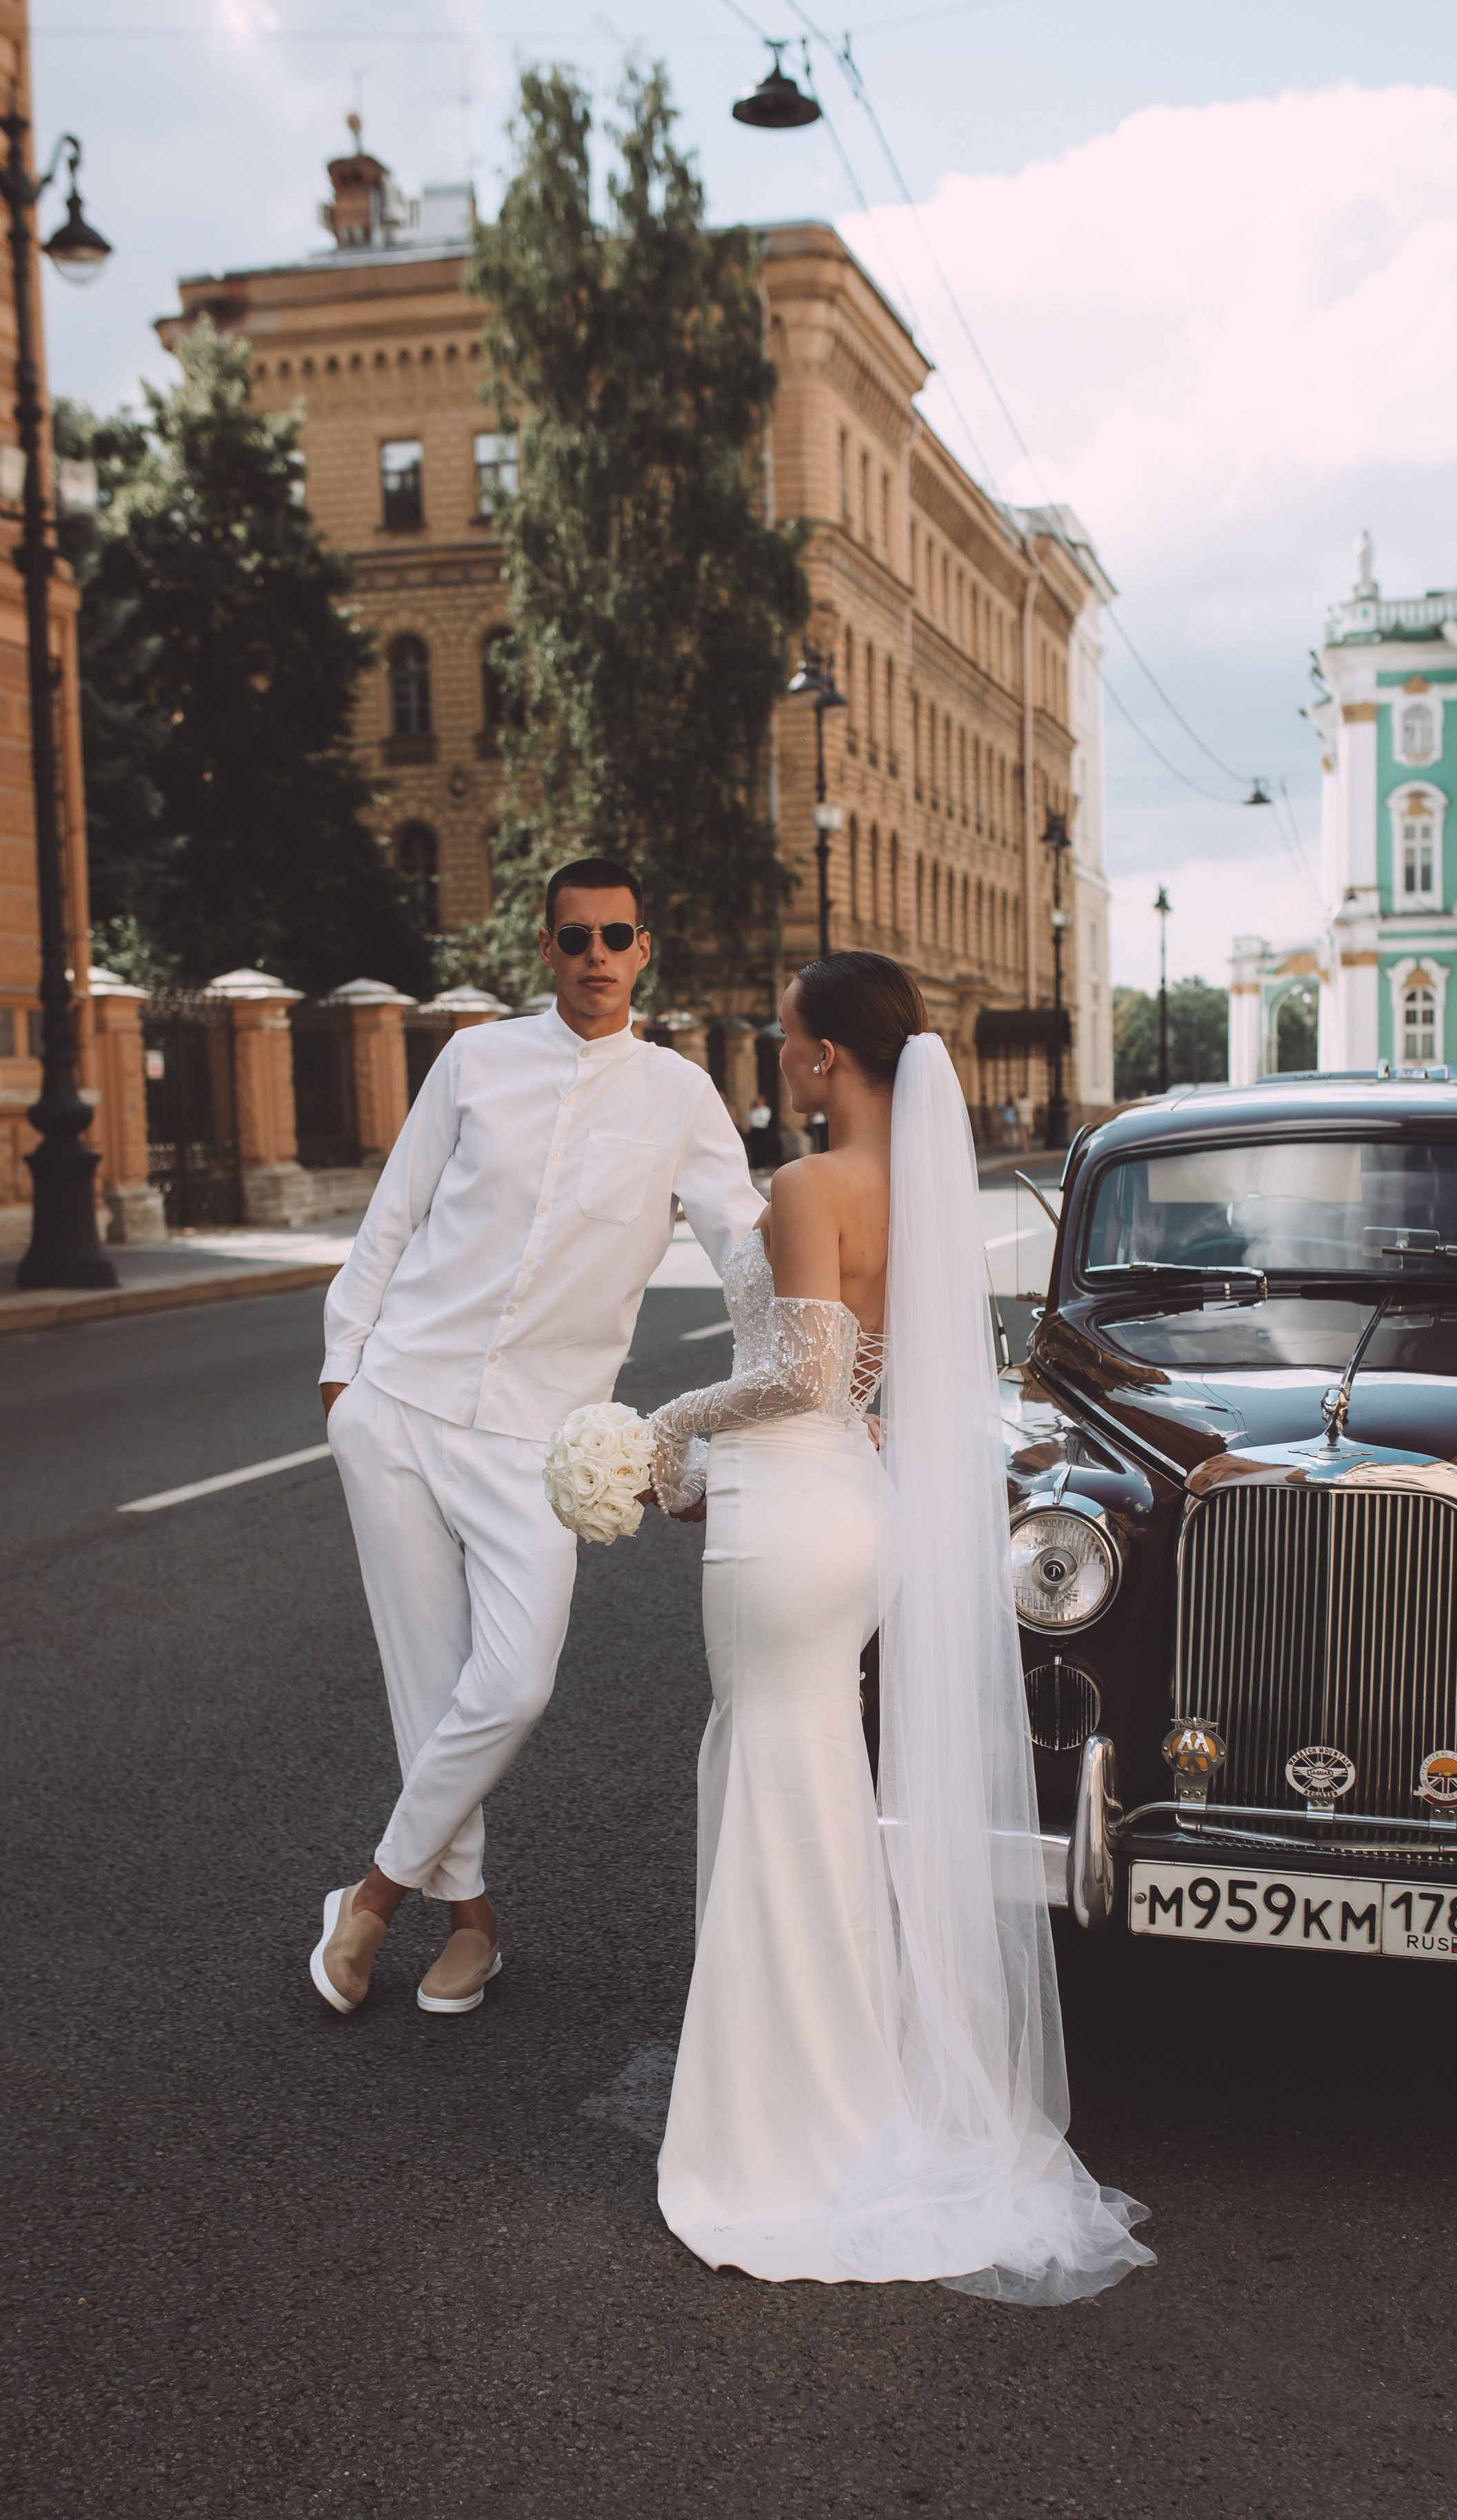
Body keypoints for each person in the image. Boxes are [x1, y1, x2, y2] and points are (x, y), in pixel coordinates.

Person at [645, 951, 1152, 2303]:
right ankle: (842, 2089)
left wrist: (664, 1428)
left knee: (771, 1788)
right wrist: (714, 1472)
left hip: (791, 1520)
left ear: (819, 1057)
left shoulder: (813, 1186)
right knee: (808, 1786)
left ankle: (784, 2131)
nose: (776, 1049)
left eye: (783, 1034)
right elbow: (864, 1386)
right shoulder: (919, 1201)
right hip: (838, 1509)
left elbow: (802, 1372)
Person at [310, 858, 761, 2017]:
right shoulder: (474, 1060)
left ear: (643, 948)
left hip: (537, 1444)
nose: (596, 955)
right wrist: (341, 1371)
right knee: (428, 1679)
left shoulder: (680, 1097)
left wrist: (833, 1347)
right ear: (546, 950)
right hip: (400, 1405)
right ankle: (469, 1923)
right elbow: (394, 1213)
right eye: (575, 938)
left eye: (617, 935)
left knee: (508, 1682)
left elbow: (749, 1257)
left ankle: (370, 1897)